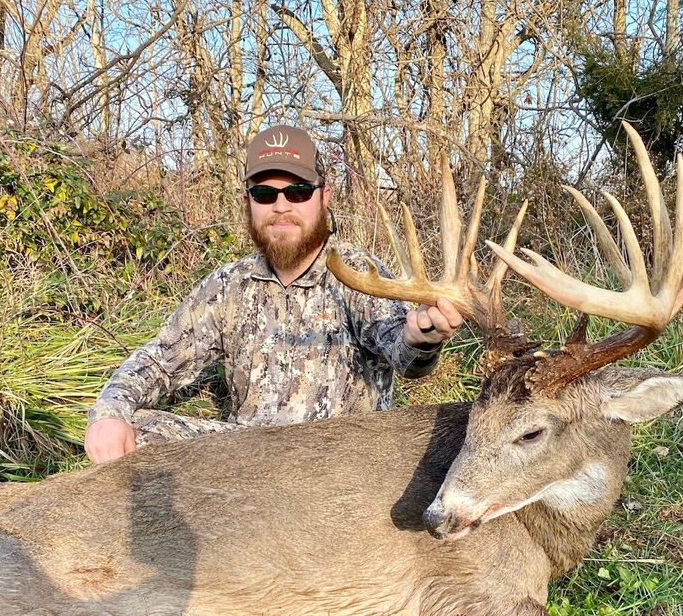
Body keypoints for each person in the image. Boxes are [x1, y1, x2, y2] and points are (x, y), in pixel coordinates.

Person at [84, 125, 462, 463]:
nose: (281, 207)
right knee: (132, 430)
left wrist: (422, 338)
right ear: (248, 199)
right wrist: (109, 413)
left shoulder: (359, 274)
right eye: (265, 193)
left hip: (340, 464)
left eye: (297, 192)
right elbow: (159, 361)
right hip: (250, 461)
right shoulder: (229, 285)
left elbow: (404, 353)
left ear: (324, 196)